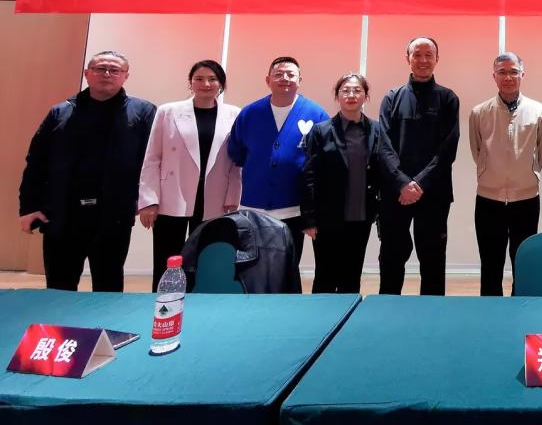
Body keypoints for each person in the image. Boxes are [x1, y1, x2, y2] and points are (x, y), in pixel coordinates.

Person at [18, 50, 156, 291]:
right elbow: (37, 161)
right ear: (87, 73)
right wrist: (28, 207)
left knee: (109, 285)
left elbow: (153, 162)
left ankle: (107, 318)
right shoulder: (60, 112)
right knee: (59, 286)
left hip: (114, 213)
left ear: (126, 76)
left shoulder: (143, 112)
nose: (107, 74)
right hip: (63, 213)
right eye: (100, 68)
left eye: (115, 70)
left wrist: (147, 200)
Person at [138, 60, 241, 291]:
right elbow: (152, 158)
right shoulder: (168, 111)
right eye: (199, 79)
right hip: (172, 194)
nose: (206, 84)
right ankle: (164, 302)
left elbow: (236, 162)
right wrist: (149, 200)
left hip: (214, 195)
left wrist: (233, 196)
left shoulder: (234, 114)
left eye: (212, 79)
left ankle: (200, 302)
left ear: (221, 84)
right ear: (190, 83)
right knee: (167, 257)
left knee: (207, 257)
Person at [301, 73, 401, 294]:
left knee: (352, 275)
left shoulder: (376, 130)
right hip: (328, 216)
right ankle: (322, 315)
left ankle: (349, 314)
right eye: (345, 90)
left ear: (366, 96)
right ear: (337, 96)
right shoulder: (321, 131)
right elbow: (309, 175)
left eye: (357, 90)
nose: (351, 95)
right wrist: (309, 219)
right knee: (325, 275)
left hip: (362, 215)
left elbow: (384, 169)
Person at [377, 37, 460, 295]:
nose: (423, 60)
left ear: (437, 59)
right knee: (391, 255)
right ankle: (388, 307)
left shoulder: (448, 98)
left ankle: (431, 311)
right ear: (408, 58)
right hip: (395, 193)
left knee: (432, 258)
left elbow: (448, 149)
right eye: (417, 55)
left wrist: (419, 183)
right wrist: (402, 183)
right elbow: (383, 146)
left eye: (428, 55)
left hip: (434, 193)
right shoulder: (391, 98)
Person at [228, 56, 329, 263]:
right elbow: (236, 152)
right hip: (254, 207)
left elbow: (324, 159)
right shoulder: (250, 113)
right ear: (268, 80)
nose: (285, 78)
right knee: (252, 264)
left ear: (300, 80)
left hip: (294, 207)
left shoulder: (316, 113)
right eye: (278, 74)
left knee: (288, 265)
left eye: (291, 74)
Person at [468, 52, 542, 296]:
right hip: (488, 199)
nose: (508, 77)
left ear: (522, 75)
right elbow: (477, 150)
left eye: (513, 72)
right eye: (502, 72)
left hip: (526, 199)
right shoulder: (479, 112)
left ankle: (520, 306)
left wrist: (528, 173)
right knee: (490, 262)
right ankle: (491, 310)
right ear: (493, 76)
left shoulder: (539, 111)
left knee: (523, 261)